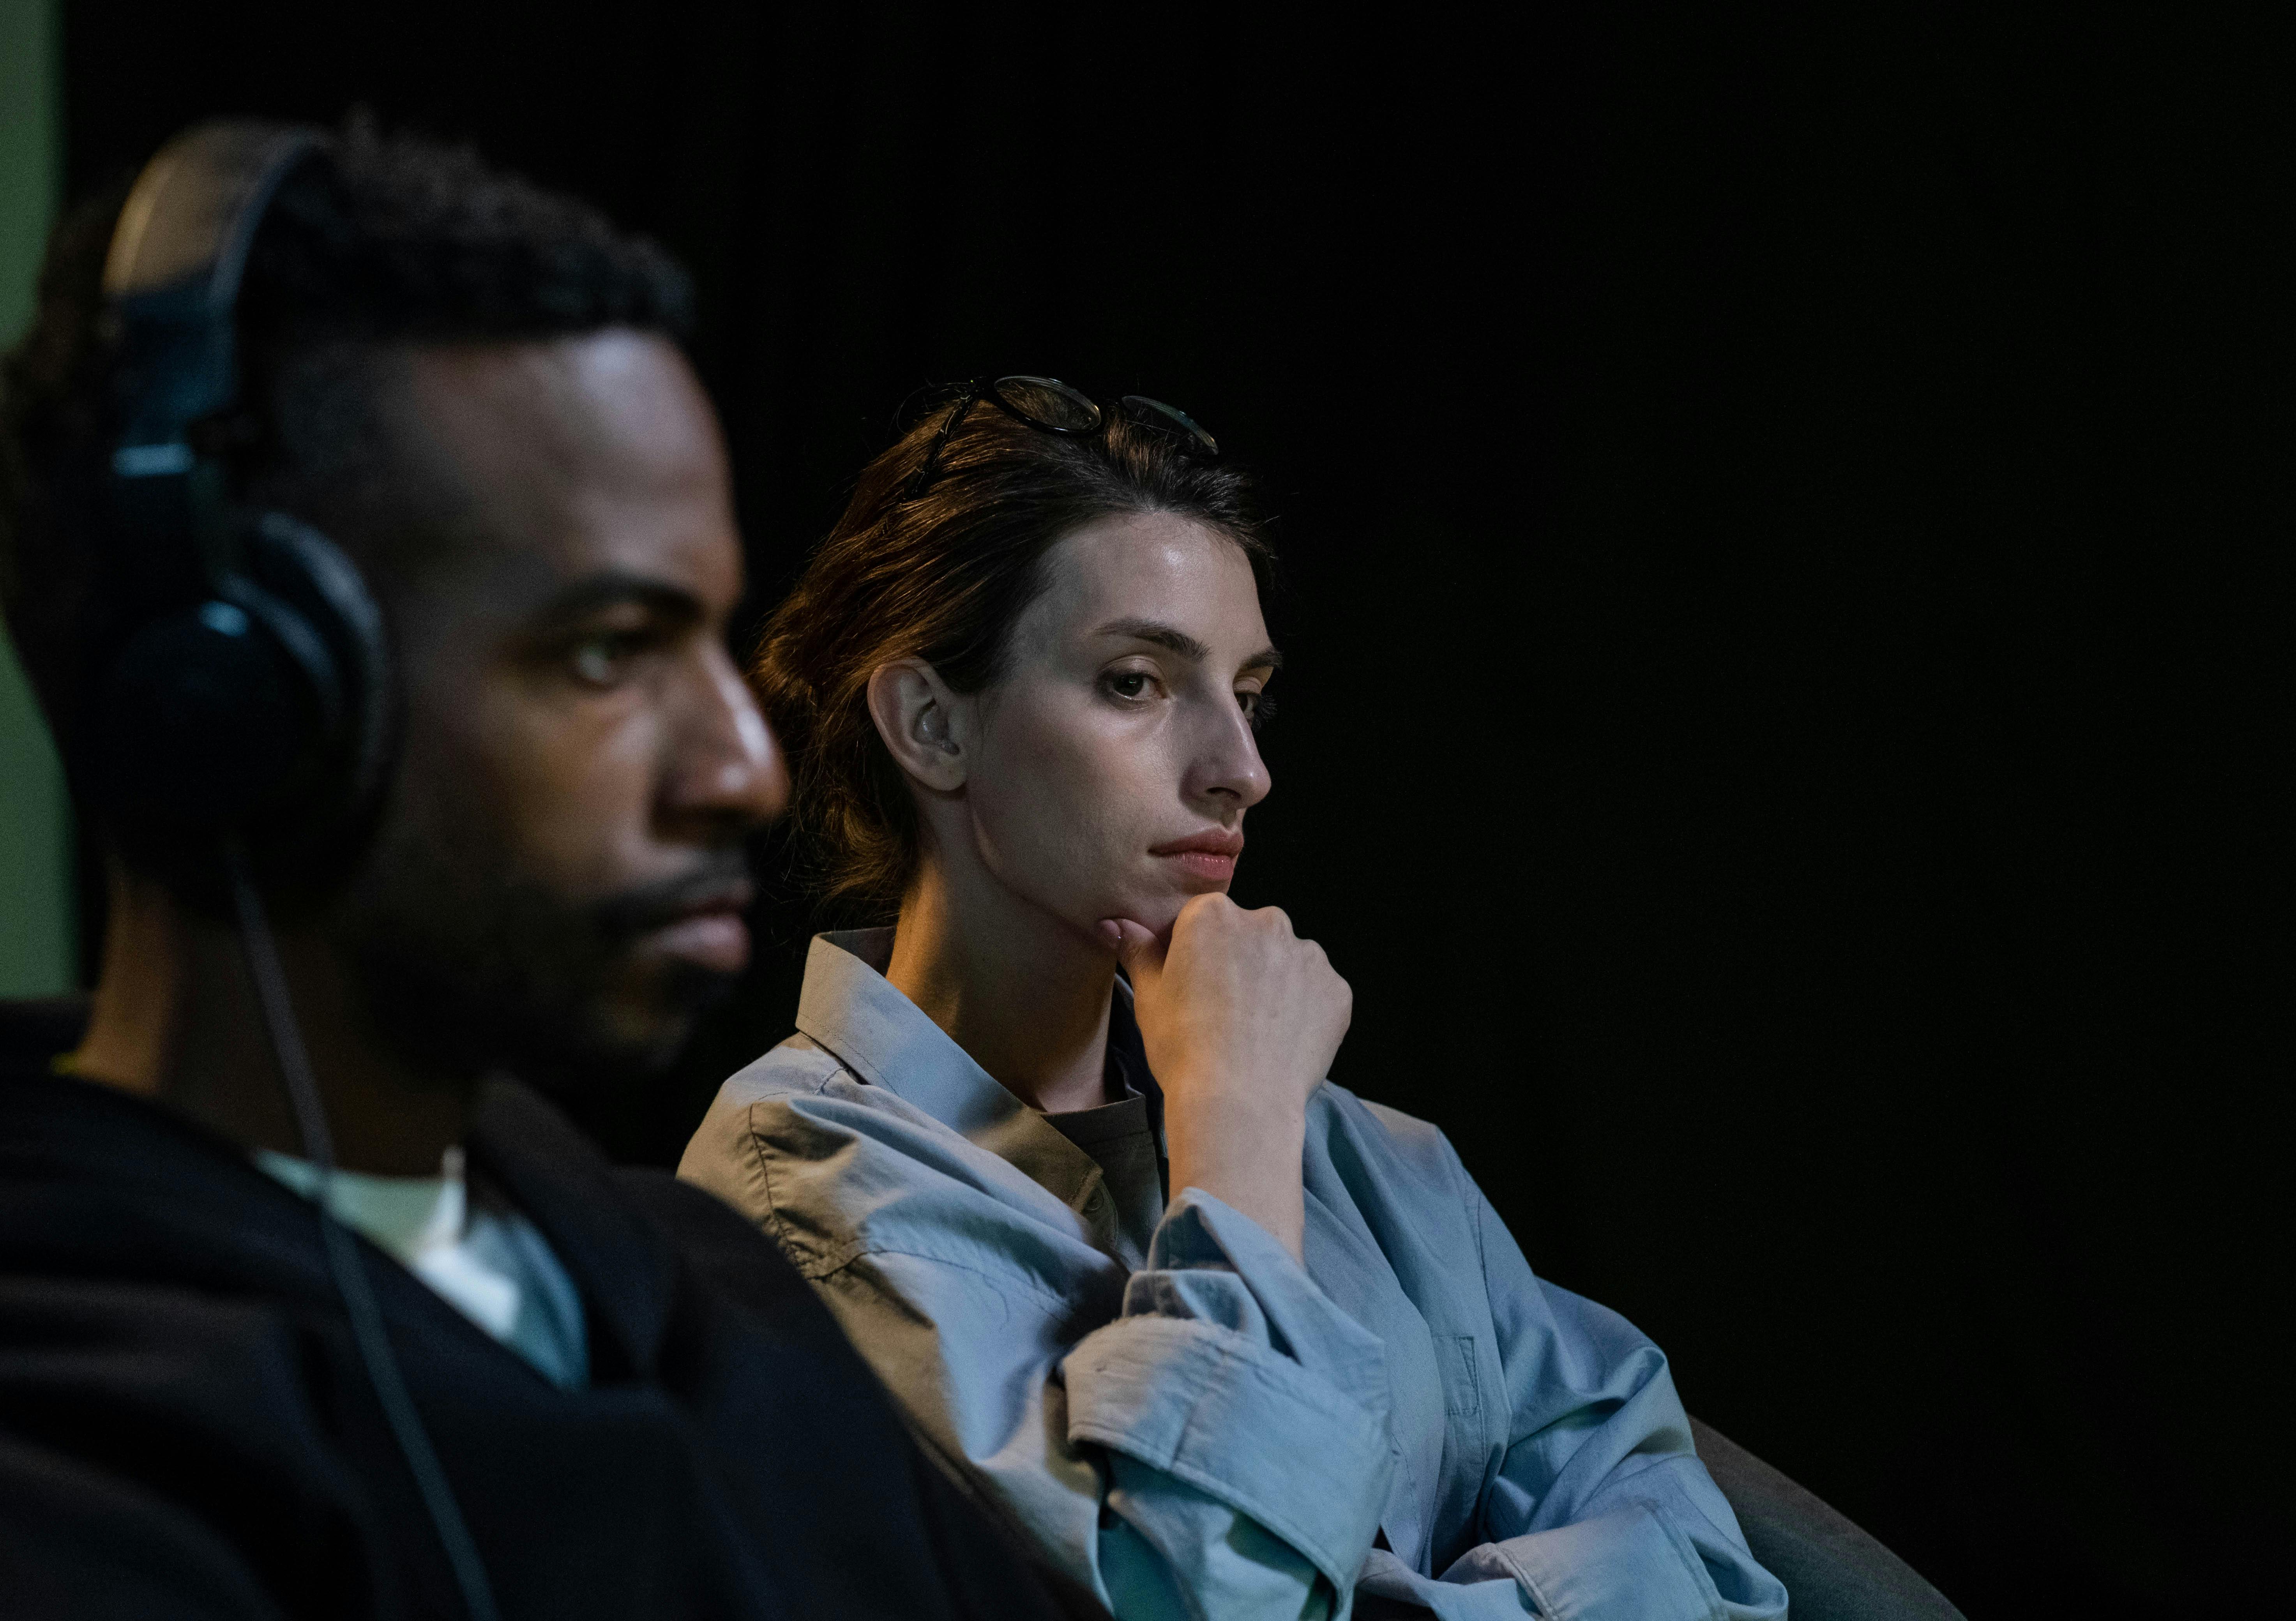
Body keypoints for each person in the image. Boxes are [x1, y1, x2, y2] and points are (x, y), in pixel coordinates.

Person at [0, 123, 1072, 1620]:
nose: (743, 772)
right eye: (605, 653)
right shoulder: (70, 1468)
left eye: (708, 631)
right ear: (243, 704)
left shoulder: (714, 1292)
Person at [678, 378, 1793, 1620]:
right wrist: (1239, 1130)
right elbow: (1206, 1602)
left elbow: (1709, 1559)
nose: (1242, 772)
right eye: (1137, 683)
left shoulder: (1376, 1159)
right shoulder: (796, 1191)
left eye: (1248, 693)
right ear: (932, 723)